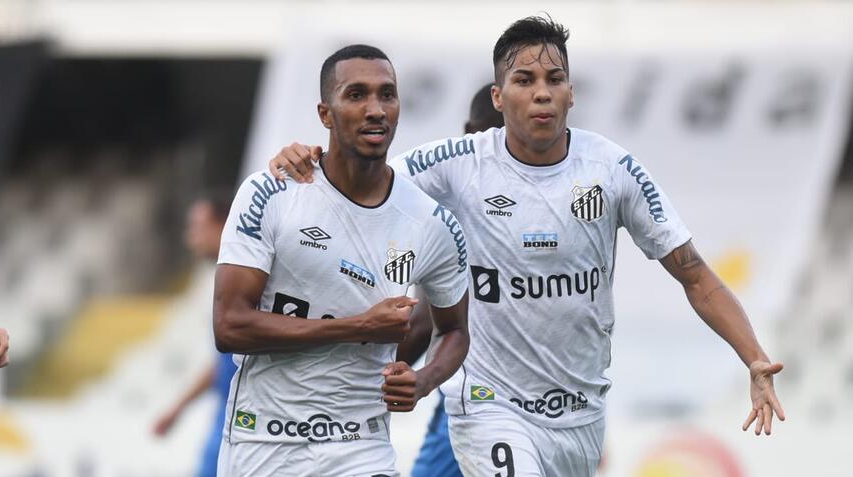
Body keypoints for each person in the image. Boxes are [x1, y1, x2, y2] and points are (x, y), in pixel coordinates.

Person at [268, 15, 785, 477]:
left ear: (571, 93)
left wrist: (754, 357)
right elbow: (361, 184)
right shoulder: (458, 162)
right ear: (498, 97)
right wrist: (304, 162)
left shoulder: (612, 170)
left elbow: (694, 274)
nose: (542, 92)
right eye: (524, 80)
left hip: (580, 415)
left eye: (554, 80)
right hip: (491, 404)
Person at [213, 44, 470, 477]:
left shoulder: (431, 222)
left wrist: (424, 381)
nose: (376, 109)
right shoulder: (270, 193)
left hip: (360, 447)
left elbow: (455, 329)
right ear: (324, 113)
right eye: (356, 95)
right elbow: (229, 325)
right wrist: (357, 327)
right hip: (262, 442)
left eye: (387, 95)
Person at [405, 83, 503, 477]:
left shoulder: (451, 213)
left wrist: (352, 392)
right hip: (551, 413)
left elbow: (425, 321)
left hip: (474, 410)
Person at [152, 193, 237, 477]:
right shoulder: (220, 281)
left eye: (198, 226)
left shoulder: (250, 282)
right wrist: (178, 408)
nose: (191, 237)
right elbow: (223, 362)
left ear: (225, 224)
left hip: (247, 425)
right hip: (224, 421)